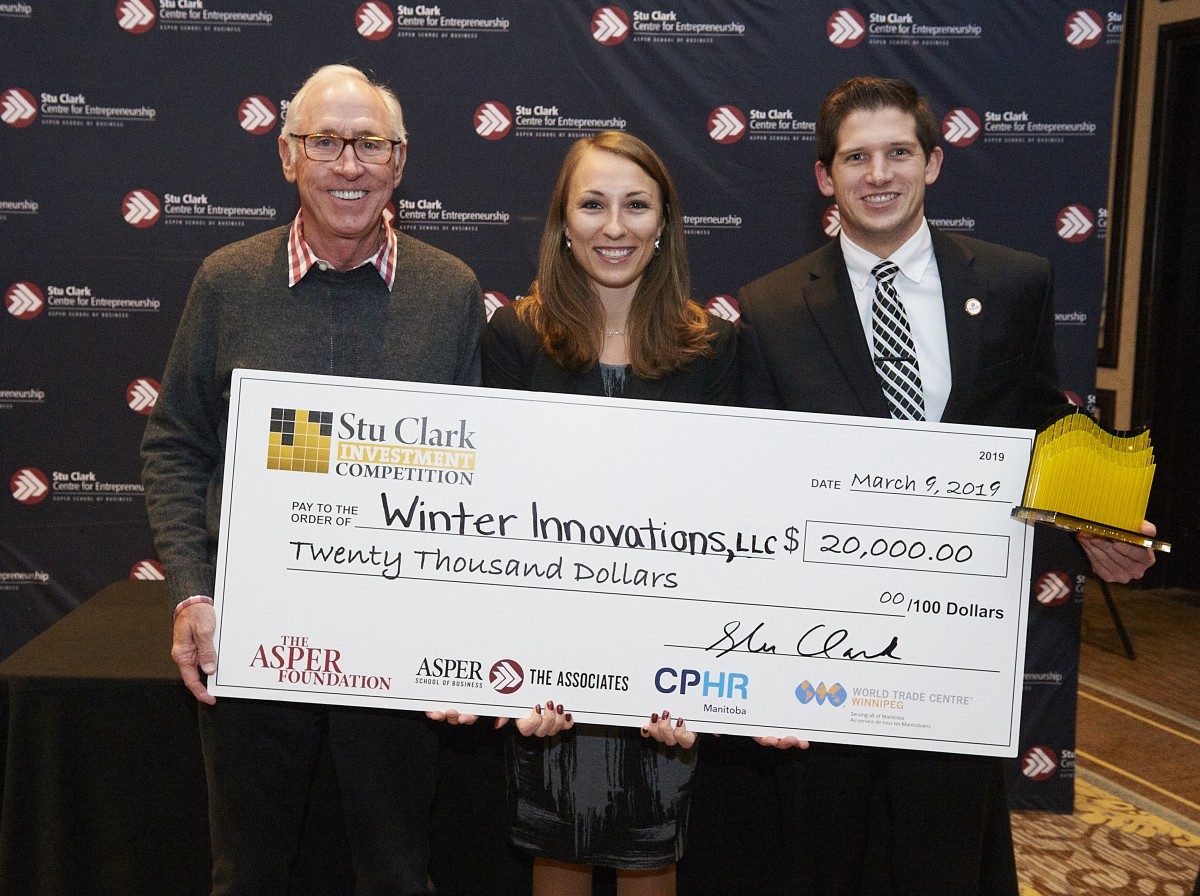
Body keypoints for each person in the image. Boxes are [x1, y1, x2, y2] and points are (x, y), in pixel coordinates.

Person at [738, 76, 1156, 895]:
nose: (879, 174)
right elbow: (761, 474)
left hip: (961, 638)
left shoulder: (1012, 283)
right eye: (856, 157)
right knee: (826, 857)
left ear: (933, 161)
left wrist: (1099, 522)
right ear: (826, 177)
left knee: (945, 855)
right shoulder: (774, 305)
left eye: (899, 152)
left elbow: (1042, 425)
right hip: (829, 643)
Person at [140, 64, 483, 895]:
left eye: (370, 144)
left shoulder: (452, 291)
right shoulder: (226, 280)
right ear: (289, 155)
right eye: (325, 142)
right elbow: (175, 443)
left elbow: (480, 475)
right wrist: (191, 590)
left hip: (398, 634)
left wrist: (466, 630)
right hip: (253, 630)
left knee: (398, 873)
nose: (349, 165)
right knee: (248, 873)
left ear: (400, 162)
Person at [481, 131, 735, 896]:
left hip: (669, 668)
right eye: (592, 204)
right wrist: (510, 670)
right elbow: (487, 513)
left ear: (664, 224)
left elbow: (731, 525)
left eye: (636, 205)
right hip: (545, 667)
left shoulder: (713, 349)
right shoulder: (515, 339)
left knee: (652, 854)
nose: (614, 226)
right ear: (563, 220)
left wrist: (705, 679)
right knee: (556, 850)